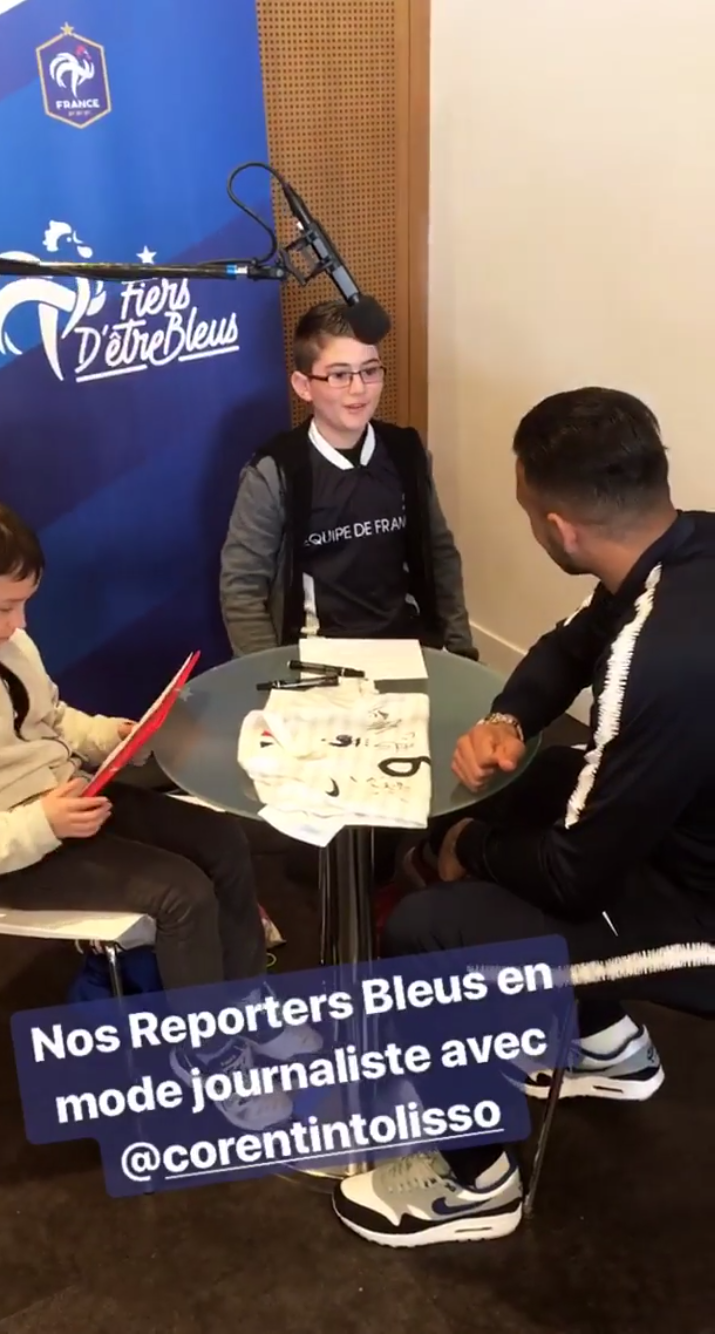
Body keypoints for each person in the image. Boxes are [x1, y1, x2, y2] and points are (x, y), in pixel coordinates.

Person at [333, 387, 715, 1247]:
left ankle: (476, 1181)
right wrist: (508, 721)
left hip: (701, 910)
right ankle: (606, 1047)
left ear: (560, 528)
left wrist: (473, 845)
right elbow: (570, 644)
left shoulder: (661, 662)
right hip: (683, 826)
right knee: (524, 784)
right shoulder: (680, 551)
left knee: (431, 931)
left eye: (526, 514)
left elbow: (573, 877)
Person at [0, 493, 317, 1131]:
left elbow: (49, 715)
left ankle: (241, 999)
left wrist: (108, 737)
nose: (20, 623)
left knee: (220, 840)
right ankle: (207, 1052)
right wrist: (39, 825)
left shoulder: (7, 644)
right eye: (5, 607)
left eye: (25, 604)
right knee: (179, 894)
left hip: (68, 797)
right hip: (8, 850)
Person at [219, 300, 476, 658]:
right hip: (316, 656)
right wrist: (269, 674)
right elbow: (242, 589)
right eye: (339, 375)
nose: (359, 389)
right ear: (304, 385)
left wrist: (461, 650)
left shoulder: (407, 454)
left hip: (404, 647)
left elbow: (440, 556)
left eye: (370, 371)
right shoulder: (274, 472)